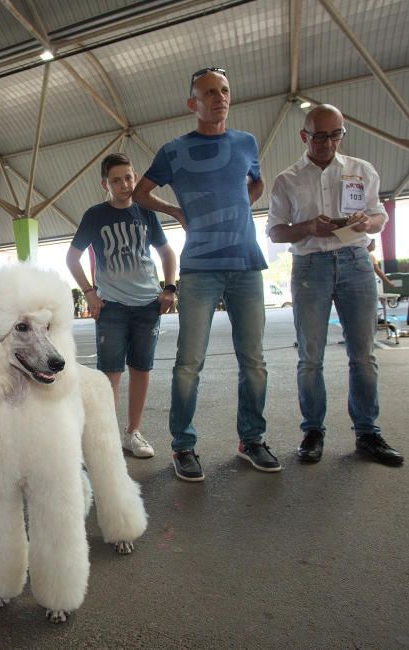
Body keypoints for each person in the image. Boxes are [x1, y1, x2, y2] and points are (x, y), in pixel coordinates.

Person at [133, 66, 275, 481]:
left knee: (254, 361)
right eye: (209, 92)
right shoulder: (174, 150)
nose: (220, 97)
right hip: (198, 268)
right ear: (192, 103)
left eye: (225, 90)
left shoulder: (246, 142)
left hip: (246, 263)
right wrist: (176, 210)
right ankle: (183, 447)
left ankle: (252, 440)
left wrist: (237, 210)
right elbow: (142, 192)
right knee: (188, 363)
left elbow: (256, 184)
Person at [267, 104, 403, 467]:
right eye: (320, 136)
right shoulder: (288, 179)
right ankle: (313, 430)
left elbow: (379, 218)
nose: (328, 143)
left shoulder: (362, 170)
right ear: (304, 136)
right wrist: (310, 227)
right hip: (310, 266)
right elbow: (276, 231)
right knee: (310, 357)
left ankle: (368, 432)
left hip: (356, 263)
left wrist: (366, 220)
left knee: (364, 355)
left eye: (335, 134)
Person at [66, 152, 177, 459]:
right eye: (116, 179)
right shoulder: (95, 216)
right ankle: (105, 439)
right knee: (109, 375)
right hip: (111, 306)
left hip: (147, 306)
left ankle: (133, 433)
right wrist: (89, 292)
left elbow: (167, 253)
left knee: (141, 369)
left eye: (128, 177)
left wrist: (169, 287)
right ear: (105, 183)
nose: (125, 184)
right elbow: (71, 258)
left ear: (134, 175)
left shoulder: (146, 212)